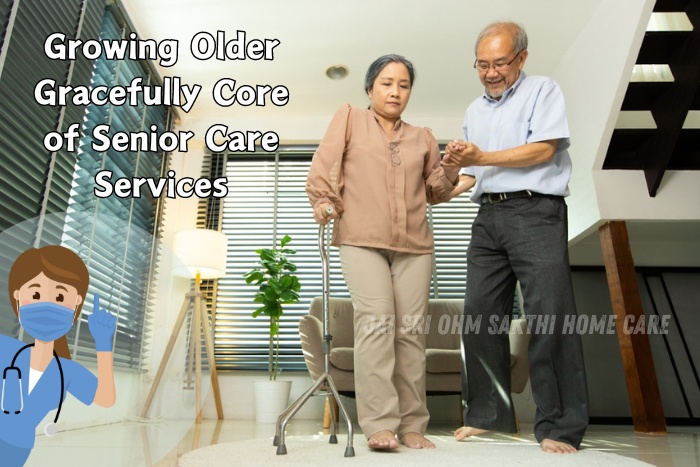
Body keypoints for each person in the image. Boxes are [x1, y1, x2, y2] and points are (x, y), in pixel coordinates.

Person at [441, 22, 589, 453]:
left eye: (500, 63)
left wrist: (481, 156)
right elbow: (473, 174)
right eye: (482, 64)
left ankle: (560, 426)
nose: (490, 72)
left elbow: (544, 149)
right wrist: (448, 179)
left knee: (549, 313)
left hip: (535, 211)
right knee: (480, 314)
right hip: (488, 216)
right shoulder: (474, 111)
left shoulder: (543, 91)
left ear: (521, 59)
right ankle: (489, 415)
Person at [306, 54, 459, 450]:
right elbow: (324, 167)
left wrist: (453, 166)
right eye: (387, 83)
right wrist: (323, 201)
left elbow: (436, 192)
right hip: (361, 238)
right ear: (370, 87)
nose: (395, 91)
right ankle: (378, 423)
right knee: (376, 323)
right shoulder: (350, 118)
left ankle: (412, 425)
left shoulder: (423, 137)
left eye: (404, 85)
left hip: (415, 245)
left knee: (410, 333)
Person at [1, 245, 117, 466]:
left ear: (76, 303)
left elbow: (106, 398)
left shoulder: (66, 372)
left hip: (17, 449)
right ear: (18, 296)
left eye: (59, 296)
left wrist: (103, 342)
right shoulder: (5, 349)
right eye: (35, 294)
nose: (47, 304)